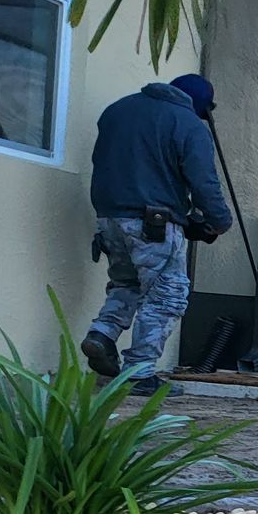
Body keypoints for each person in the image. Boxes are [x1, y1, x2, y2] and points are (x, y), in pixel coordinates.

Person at [82, 74, 233, 393]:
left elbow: (133, 168)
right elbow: (204, 182)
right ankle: (139, 372)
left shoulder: (117, 110)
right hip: (152, 224)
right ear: (200, 104)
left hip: (109, 219)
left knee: (128, 283)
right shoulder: (188, 124)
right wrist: (218, 220)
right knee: (167, 294)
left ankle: (102, 334)